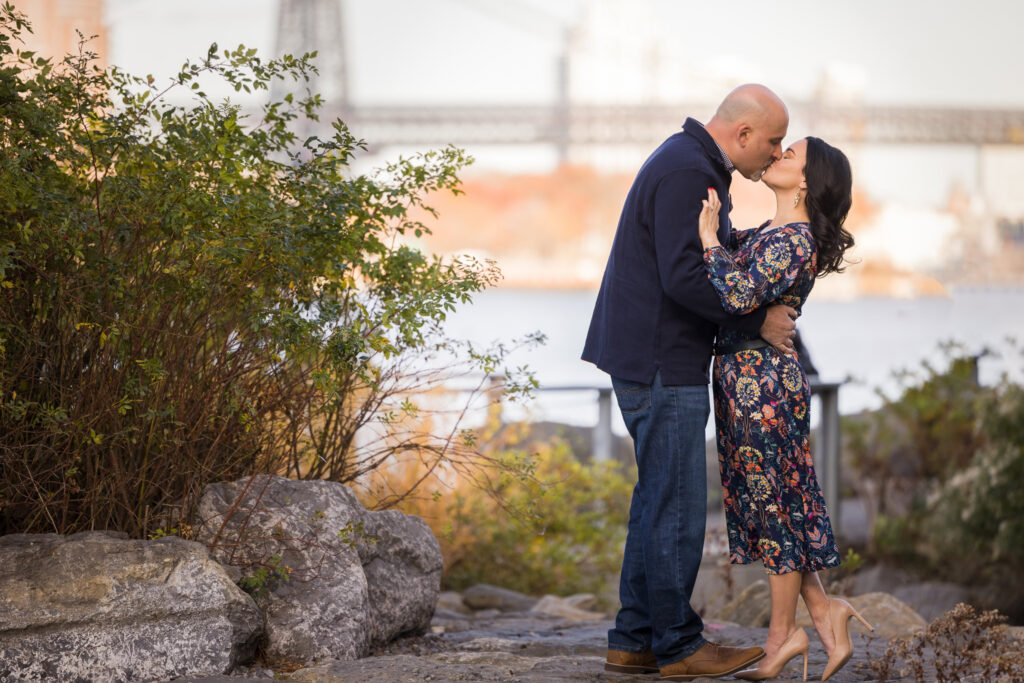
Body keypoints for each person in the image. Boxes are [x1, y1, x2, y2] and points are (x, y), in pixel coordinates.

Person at [582, 84, 799, 680]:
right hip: (661, 360)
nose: (777, 154)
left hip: (650, 356)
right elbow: (683, 276)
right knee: (676, 505)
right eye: (774, 140)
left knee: (656, 498)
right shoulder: (688, 171)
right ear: (743, 134)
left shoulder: (689, 161)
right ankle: (679, 646)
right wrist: (759, 318)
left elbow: (703, 256)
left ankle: (634, 640)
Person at [696, 136, 872, 681]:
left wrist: (706, 237)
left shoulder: (794, 240)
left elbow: (736, 295)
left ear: (806, 182)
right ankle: (823, 610)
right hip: (744, 383)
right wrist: (716, 231)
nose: (777, 157)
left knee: (775, 509)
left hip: (764, 387)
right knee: (774, 504)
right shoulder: (770, 233)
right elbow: (734, 273)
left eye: (789, 154)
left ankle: (780, 639)